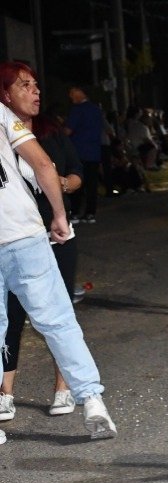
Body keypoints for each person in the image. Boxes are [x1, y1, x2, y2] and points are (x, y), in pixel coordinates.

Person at [0, 61, 116, 441]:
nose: (33, 91)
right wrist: (60, 217)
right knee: (57, 320)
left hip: (17, 234)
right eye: (24, 85)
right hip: (21, 233)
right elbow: (43, 164)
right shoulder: (4, 116)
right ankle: (92, 399)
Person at [1, 68, 82, 418]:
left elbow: (78, 175)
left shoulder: (51, 132)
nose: (36, 92)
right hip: (15, 238)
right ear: (6, 95)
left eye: (36, 86)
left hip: (56, 236)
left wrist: (58, 184)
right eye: (26, 86)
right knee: (11, 316)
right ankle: (5, 392)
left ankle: (64, 387)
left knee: (58, 312)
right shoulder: (3, 133)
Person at [65, 85, 103, 224]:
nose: (71, 96)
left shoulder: (77, 110)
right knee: (91, 184)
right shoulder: (96, 110)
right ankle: (90, 213)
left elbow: (68, 130)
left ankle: (75, 212)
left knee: (76, 182)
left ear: (81, 92)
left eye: (73, 92)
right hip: (94, 151)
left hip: (78, 151)